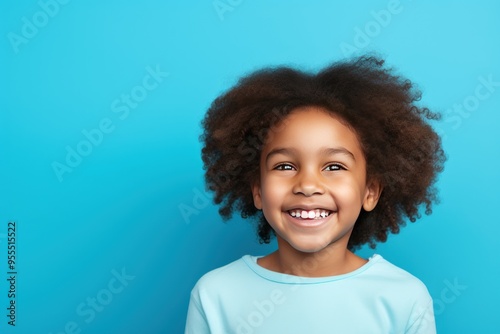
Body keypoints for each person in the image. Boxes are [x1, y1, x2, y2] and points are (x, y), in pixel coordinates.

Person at [185, 56, 445, 333]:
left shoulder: (404, 299)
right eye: (285, 166)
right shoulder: (216, 295)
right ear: (258, 191)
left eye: (334, 166)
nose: (308, 185)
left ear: (370, 192)